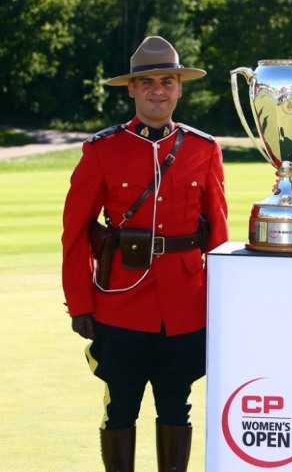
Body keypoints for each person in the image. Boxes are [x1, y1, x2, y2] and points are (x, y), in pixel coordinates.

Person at [61, 36, 229, 471]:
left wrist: (225, 305)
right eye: (148, 82)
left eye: (168, 81)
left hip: (186, 305)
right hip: (120, 302)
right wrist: (80, 302)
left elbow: (219, 236)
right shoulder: (102, 150)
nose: (159, 89)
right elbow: (74, 232)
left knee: (177, 406)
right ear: (131, 89)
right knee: (120, 409)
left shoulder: (203, 149)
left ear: (179, 88)